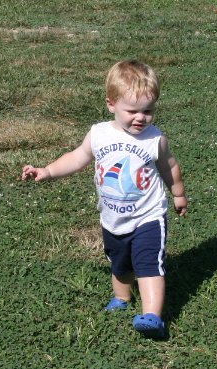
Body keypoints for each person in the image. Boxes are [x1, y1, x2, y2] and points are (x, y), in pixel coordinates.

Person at [21, 60, 187, 339]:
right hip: (113, 216)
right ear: (111, 104)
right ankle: (121, 299)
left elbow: (169, 166)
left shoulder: (154, 139)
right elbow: (77, 157)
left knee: (148, 264)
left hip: (148, 215)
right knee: (119, 262)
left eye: (148, 111)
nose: (141, 118)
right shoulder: (99, 134)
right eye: (132, 110)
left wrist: (178, 193)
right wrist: (48, 170)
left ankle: (152, 316)